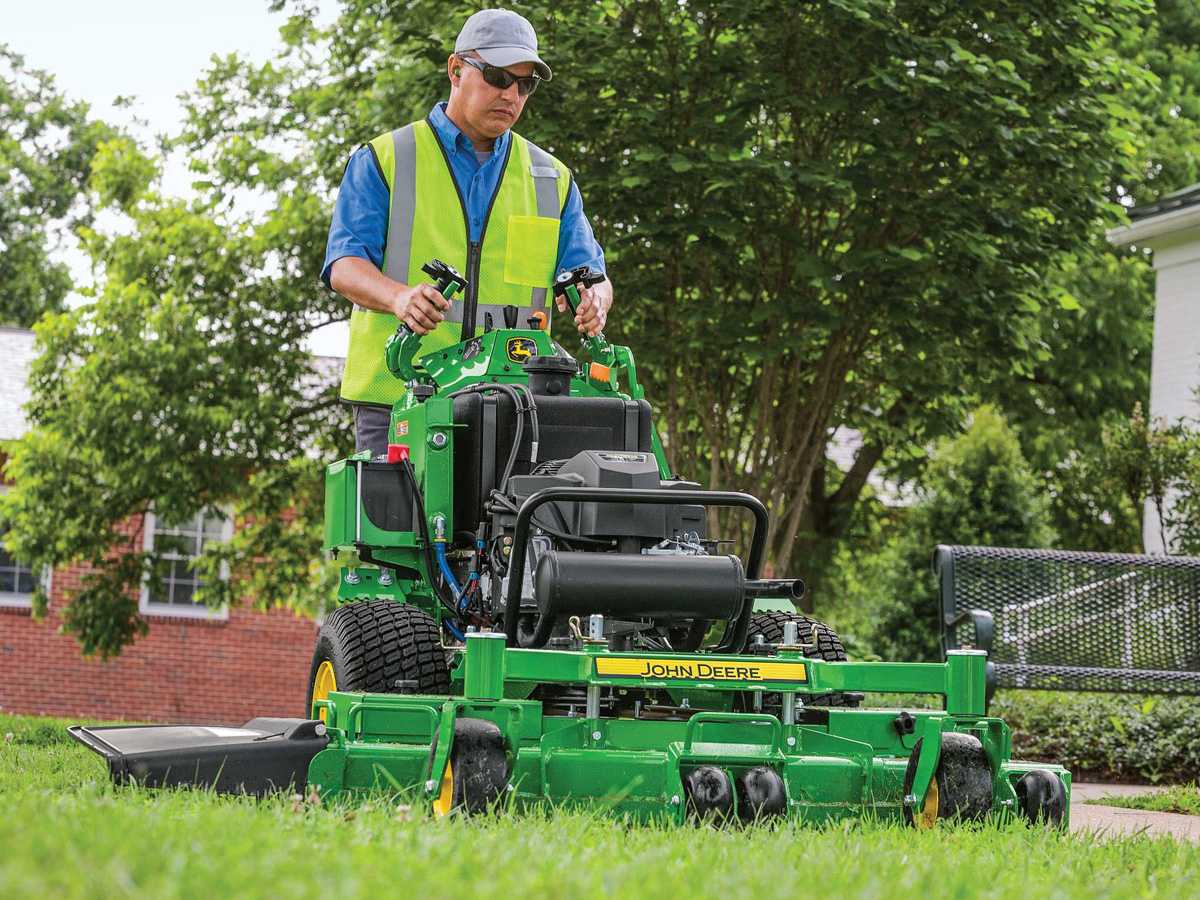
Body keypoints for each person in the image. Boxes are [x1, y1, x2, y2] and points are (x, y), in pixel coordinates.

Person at [322, 8, 613, 455]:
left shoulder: (550, 178)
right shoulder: (386, 158)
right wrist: (400, 298)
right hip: (400, 400)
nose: (511, 94)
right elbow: (344, 266)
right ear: (456, 70)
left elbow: (593, 277)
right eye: (497, 77)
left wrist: (596, 301)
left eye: (525, 84)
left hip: (516, 404)